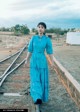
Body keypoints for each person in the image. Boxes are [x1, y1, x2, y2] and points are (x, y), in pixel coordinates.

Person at [24, 22, 55, 106]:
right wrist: (26, 60)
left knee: (42, 79)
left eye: (42, 27)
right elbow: (30, 50)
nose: (40, 28)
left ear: (44, 29)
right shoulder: (33, 38)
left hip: (42, 61)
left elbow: (50, 51)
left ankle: (41, 96)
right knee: (35, 79)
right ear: (37, 28)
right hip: (34, 61)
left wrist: (52, 62)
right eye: (39, 27)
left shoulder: (47, 39)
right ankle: (37, 97)